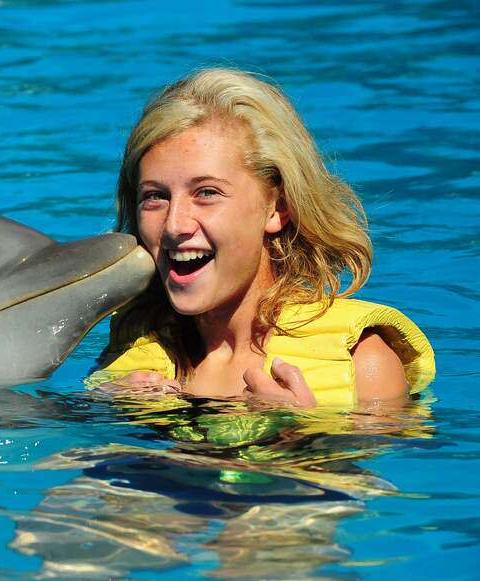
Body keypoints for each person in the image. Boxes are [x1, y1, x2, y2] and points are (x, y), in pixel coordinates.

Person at [90, 68, 435, 410]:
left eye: (207, 193)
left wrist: (297, 437)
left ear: (277, 207)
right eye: (155, 196)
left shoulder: (363, 361)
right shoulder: (133, 352)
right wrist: (108, 417)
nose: (173, 225)